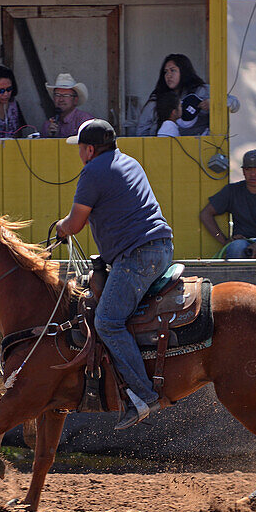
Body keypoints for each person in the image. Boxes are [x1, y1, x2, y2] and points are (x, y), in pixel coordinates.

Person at [56, 119, 175, 430]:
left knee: (107, 320)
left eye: (80, 147)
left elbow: (75, 223)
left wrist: (60, 228)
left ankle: (144, 395)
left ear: (90, 149)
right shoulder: (129, 161)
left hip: (136, 256)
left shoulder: (93, 171)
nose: (79, 153)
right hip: (160, 248)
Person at [135, 54, 210, 136]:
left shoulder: (202, 92)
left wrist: (213, 105)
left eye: (172, 70)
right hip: (162, 146)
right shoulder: (157, 99)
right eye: (166, 72)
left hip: (200, 146)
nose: (168, 75)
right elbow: (142, 130)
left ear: (184, 71)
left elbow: (225, 103)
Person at [40, 73, 94, 138]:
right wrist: (49, 136)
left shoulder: (84, 120)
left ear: (75, 100)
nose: (61, 99)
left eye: (66, 95)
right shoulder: (48, 125)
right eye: (57, 95)